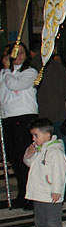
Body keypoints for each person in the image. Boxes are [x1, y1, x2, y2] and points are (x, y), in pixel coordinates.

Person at [1, 42, 38, 209]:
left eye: (22, 52)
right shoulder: (3, 73)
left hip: (24, 117)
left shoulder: (30, 72)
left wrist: (8, 70)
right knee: (15, 159)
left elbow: (14, 85)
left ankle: (32, 195)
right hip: (8, 117)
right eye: (16, 53)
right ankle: (22, 194)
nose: (19, 55)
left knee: (26, 158)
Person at [24, 118, 66, 227]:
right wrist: (29, 154)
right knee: (40, 218)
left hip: (50, 193)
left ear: (47, 135)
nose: (33, 139)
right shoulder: (39, 149)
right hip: (39, 192)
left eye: (36, 135)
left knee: (52, 219)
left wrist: (57, 190)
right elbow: (30, 164)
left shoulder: (55, 152)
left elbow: (59, 174)